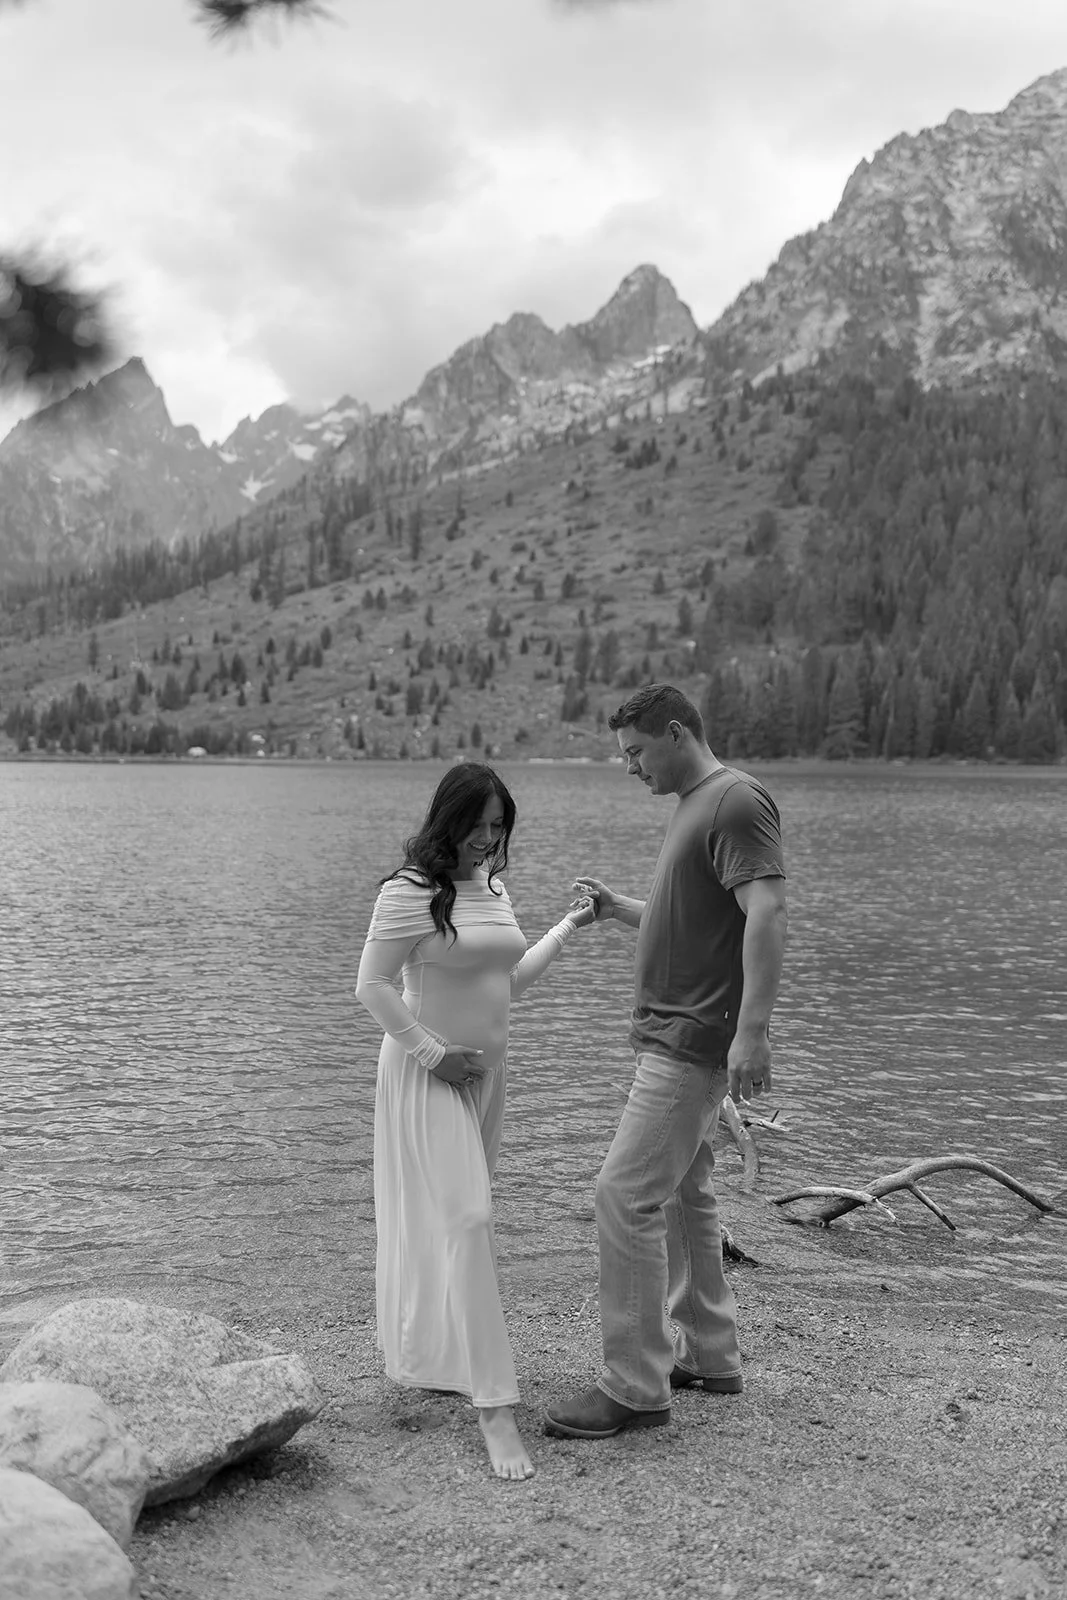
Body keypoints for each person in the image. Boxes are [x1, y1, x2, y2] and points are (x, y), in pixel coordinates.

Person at [544, 683, 787, 1441]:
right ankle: (709, 1353)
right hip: (672, 1036)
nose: (629, 768)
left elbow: (767, 911)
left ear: (676, 732)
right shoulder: (699, 805)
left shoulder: (734, 801)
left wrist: (752, 1032)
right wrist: (621, 910)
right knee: (682, 1195)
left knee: (622, 1197)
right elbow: (693, 921)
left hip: (690, 1044)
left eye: (635, 752)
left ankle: (634, 1383)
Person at [355, 761, 595, 1481]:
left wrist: (566, 927)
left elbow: (506, 980)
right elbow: (370, 987)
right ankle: (494, 1409)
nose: (488, 839)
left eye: (499, 826)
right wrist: (433, 1055)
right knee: (467, 1220)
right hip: (425, 1075)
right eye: (478, 824)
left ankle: (433, 1359)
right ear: (447, 819)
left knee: (455, 1223)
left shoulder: (490, 887)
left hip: (487, 1080)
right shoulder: (408, 894)